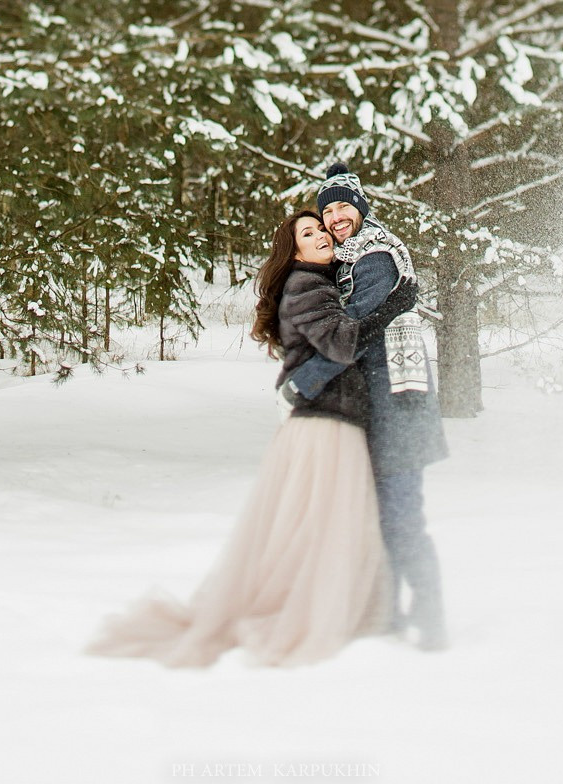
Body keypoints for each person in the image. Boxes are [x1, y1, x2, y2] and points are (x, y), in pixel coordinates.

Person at [87, 208, 417, 667]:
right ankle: (308, 618)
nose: (321, 235)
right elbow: (342, 344)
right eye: (308, 233)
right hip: (323, 424)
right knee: (322, 525)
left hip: (330, 419)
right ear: (294, 251)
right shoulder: (307, 286)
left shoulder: (319, 284)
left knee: (319, 525)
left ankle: (329, 613)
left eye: (321, 229)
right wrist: (394, 304)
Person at [282, 162, 449, 651]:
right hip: (375, 408)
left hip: (400, 407)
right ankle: (387, 615)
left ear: (360, 208)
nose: (335, 217)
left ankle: (430, 620)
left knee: (401, 519)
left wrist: (305, 382)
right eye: (327, 210)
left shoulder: (375, 258)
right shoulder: (347, 260)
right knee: (379, 520)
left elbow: (350, 334)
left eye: (343, 207)